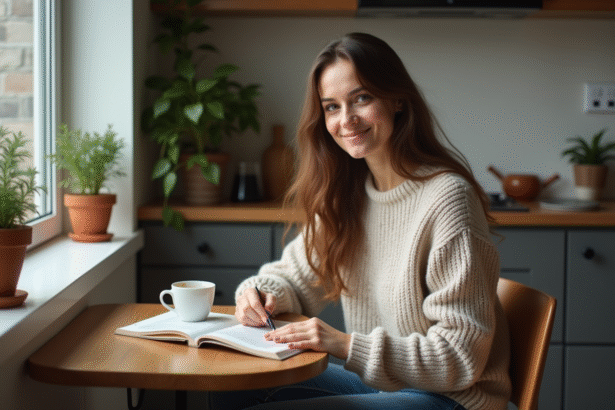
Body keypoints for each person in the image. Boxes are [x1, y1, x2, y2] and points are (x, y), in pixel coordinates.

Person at [210, 32, 511, 410]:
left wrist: (342, 343)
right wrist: (259, 294)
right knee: (230, 386)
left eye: (361, 99)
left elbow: (459, 357)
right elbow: (295, 276)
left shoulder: (447, 199)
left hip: (451, 399)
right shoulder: (350, 193)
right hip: (389, 389)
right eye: (331, 107)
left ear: (397, 99)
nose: (346, 119)